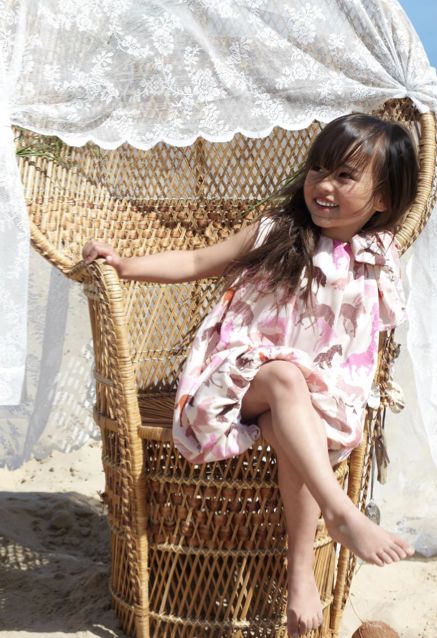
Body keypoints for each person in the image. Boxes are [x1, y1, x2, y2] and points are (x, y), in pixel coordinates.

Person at [82, 113, 418, 637]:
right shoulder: (277, 231)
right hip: (236, 382)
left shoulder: (378, 256)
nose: (323, 185)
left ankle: (300, 576)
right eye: (318, 169)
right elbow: (197, 260)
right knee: (285, 377)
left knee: (298, 425)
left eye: (344, 176)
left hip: (309, 398)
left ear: (382, 199)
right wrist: (125, 265)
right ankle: (340, 513)